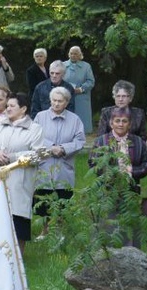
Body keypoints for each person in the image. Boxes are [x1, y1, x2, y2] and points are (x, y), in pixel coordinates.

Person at [0, 92, 44, 255]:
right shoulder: (0, 124)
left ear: (23, 109)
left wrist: (12, 157)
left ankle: (18, 258)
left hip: (19, 181)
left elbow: (39, 155)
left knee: (18, 221)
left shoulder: (35, 129)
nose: (7, 108)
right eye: (7, 106)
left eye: (11, 106)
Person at [89, 107, 147, 248]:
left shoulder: (138, 142)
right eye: (117, 121)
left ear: (129, 124)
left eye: (124, 121)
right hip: (107, 190)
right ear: (111, 123)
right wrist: (112, 173)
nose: (120, 124)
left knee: (130, 222)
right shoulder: (101, 141)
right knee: (108, 222)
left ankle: (132, 252)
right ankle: (106, 251)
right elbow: (93, 163)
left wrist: (131, 172)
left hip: (131, 190)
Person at [32, 86, 86, 239]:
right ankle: (45, 230)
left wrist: (63, 148)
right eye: (54, 101)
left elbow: (80, 140)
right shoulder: (40, 117)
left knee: (63, 199)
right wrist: (51, 148)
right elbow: (34, 137)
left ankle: (60, 230)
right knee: (44, 199)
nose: (56, 104)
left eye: (60, 101)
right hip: (45, 165)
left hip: (64, 165)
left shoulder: (75, 119)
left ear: (67, 102)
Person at [63, 46, 94, 133]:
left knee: (81, 123)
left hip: (81, 97)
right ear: (69, 54)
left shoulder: (86, 66)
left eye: (75, 54)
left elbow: (91, 81)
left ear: (80, 55)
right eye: (71, 53)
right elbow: (58, 80)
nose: (73, 55)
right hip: (66, 96)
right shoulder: (63, 65)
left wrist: (81, 89)